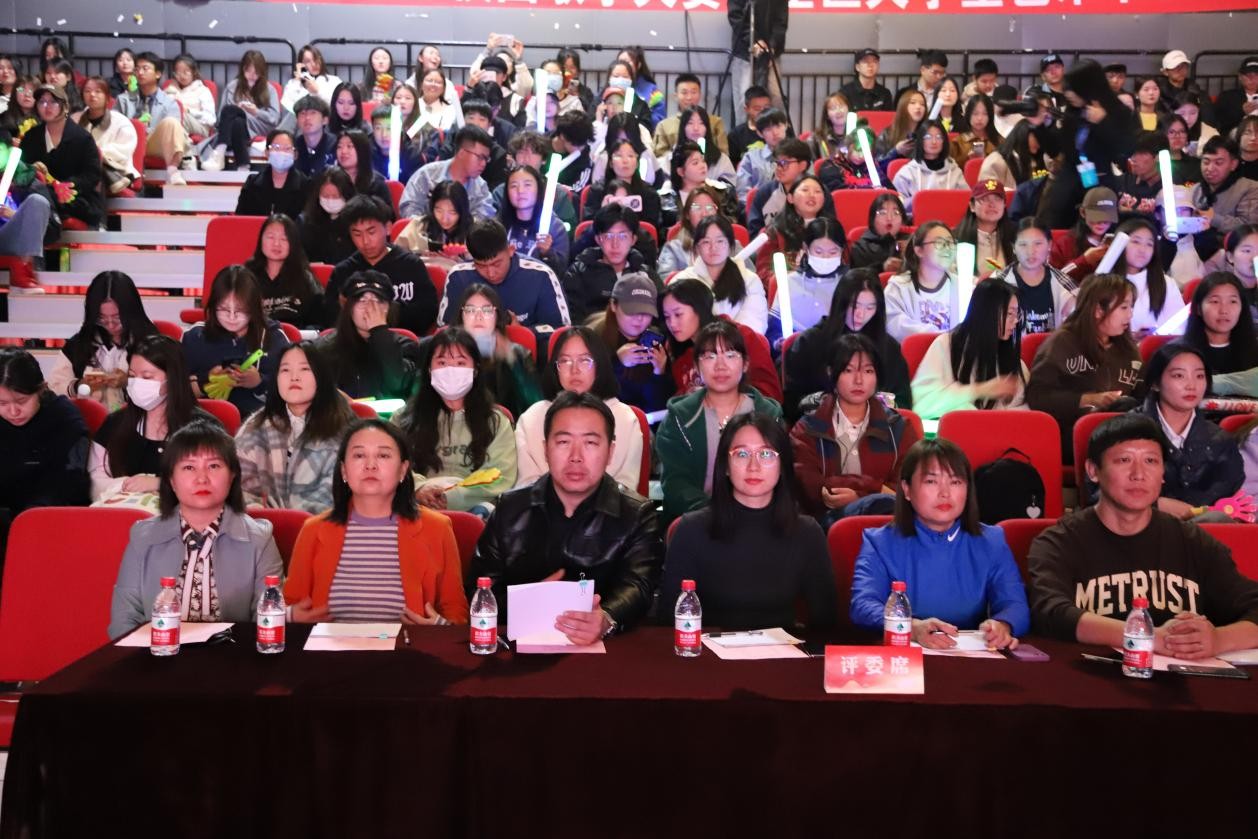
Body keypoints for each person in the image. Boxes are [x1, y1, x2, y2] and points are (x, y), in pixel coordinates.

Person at [1028, 413, 1258, 658]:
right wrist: (1148, 637)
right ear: (1093, 471)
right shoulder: (1059, 542)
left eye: (1151, 461)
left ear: (1162, 473)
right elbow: (1049, 612)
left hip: (1179, 677)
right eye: (1124, 460)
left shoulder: (1193, 542)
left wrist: (1218, 640)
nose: (1139, 474)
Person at [469, 390, 662, 641]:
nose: (576, 457)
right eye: (563, 442)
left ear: (610, 451)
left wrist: (607, 617)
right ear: (545, 449)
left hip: (606, 649)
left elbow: (640, 586)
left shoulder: (637, 514)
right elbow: (479, 591)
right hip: (520, 646)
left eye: (590, 443)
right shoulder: (509, 509)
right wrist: (525, 603)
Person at [107, 421, 284, 640]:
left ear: (232, 476)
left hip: (232, 657)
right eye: (189, 467)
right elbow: (123, 622)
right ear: (171, 480)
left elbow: (269, 622)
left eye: (214, 466)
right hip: (156, 655)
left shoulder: (259, 540)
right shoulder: (143, 537)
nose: (202, 478)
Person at [850, 438, 1030, 649]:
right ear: (906, 489)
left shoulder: (991, 541)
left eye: (956, 482)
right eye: (931, 481)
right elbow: (862, 605)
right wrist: (910, 627)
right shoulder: (879, 542)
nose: (945, 493)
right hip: (904, 654)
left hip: (967, 655)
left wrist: (1003, 625)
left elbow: (1015, 605)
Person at [284, 418, 468, 625]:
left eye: (383, 455)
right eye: (359, 455)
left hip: (410, 645)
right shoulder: (314, 530)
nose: (370, 465)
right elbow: (290, 605)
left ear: (403, 470)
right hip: (330, 645)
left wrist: (438, 627)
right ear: (344, 470)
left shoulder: (437, 528)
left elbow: (456, 611)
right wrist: (291, 617)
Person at [666, 411, 837, 629]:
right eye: (741, 454)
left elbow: (826, 625)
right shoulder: (692, 530)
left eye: (766, 454)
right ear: (725, 466)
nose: (753, 466)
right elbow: (668, 623)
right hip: (707, 648)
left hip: (783, 648)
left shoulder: (807, 533)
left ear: (782, 465)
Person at [657, 320, 783, 523]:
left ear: (745, 364)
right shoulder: (679, 418)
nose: (721, 365)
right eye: (710, 356)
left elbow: (782, 476)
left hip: (760, 519)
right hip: (697, 521)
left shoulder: (768, 414)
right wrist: (713, 514)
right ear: (696, 366)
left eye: (730, 355)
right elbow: (675, 482)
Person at [791, 334, 918, 523]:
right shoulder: (807, 429)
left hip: (888, 525)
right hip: (825, 527)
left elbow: (908, 488)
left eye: (868, 371)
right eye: (848, 370)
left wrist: (860, 497)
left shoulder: (899, 428)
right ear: (831, 372)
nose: (859, 380)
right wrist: (877, 489)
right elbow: (810, 487)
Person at [391, 328, 516, 518]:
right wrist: (419, 489)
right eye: (442, 363)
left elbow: (501, 474)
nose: (451, 371)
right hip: (416, 506)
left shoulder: (496, 422)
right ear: (429, 370)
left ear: (475, 370)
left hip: (474, 509)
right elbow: (391, 464)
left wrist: (451, 496)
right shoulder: (402, 419)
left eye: (460, 363)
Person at [1026, 273, 1143, 461]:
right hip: (1072, 435)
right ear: (1098, 310)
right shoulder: (1062, 344)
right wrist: (1089, 399)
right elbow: (1037, 397)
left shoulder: (1128, 349)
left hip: (1122, 433)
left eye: (1131, 307)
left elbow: (1141, 396)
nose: (1130, 315)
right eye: (1123, 307)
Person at [89, 335, 219, 505]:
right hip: (122, 512)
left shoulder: (204, 429)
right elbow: (96, 480)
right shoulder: (114, 424)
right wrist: (127, 485)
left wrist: (160, 484)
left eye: (147, 377)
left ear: (173, 378)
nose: (137, 384)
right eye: (132, 376)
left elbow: (217, 483)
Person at [515, 325, 642, 491]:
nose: (574, 370)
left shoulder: (625, 418)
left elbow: (626, 489)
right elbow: (525, 488)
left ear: (600, 365)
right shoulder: (531, 418)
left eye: (585, 360)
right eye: (565, 361)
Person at [1127, 342, 1243, 518]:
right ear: (1155, 383)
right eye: (1179, 375)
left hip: (1203, 529)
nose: (1191, 385)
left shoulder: (1221, 441)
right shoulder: (1125, 432)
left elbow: (1231, 502)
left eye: (1199, 376)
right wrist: (1155, 504)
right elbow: (1099, 495)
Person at [236, 341, 353, 513]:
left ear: (321, 376)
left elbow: (341, 488)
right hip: (262, 525)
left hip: (327, 523)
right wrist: (262, 518)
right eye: (285, 370)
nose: (294, 377)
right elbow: (240, 487)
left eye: (304, 369)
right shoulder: (256, 426)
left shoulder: (345, 428)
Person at [783, 268, 912, 423]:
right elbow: (793, 403)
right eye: (854, 305)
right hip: (821, 427)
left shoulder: (889, 348)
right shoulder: (810, 343)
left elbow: (903, 402)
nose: (860, 314)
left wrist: (885, 405)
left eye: (870, 308)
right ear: (841, 303)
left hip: (877, 428)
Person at [0, 349, 90, 546]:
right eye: (2, 403)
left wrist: (27, 519)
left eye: (22, 401)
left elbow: (68, 485)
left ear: (41, 390)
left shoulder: (64, 419)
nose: (13, 411)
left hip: (52, 520)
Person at [910, 278, 1028, 421]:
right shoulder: (947, 346)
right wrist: (980, 390)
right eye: (1010, 314)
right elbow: (922, 405)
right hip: (956, 431)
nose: (1016, 321)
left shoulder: (1011, 356)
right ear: (987, 313)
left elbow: (1024, 410)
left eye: (1017, 314)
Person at [182, 265, 288, 420]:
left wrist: (259, 382)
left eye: (240, 310)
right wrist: (206, 380)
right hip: (203, 424)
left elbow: (292, 388)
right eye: (224, 309)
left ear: (254, 307)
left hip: (260, 423)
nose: (232, 317)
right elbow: (176, 391)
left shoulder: (273, 337)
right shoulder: (195, 337)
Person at [324, 195, 438, 338]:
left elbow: (428, 311)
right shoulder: (344, 271)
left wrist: (388, 314)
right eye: (357, 234)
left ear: (388, 228)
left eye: (371, 232)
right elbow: (329, 316)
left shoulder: (411, 265)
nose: (365, 241)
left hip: (401, 343)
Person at [46, 271, 157, 411]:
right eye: (102, 318)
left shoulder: (152, 343)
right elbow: (54, 387)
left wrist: (128, 382)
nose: (110, 325)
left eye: (117, 318)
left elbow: (167, 387)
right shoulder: (80, 343)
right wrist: (80, 386)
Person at [660, 277, 780, 402]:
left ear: (700, 309)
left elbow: (770, 394)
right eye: (667, 317)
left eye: (678, 314)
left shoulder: (740, 336)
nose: (672, 323)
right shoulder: (678, 350)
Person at [441, 218, 570, 332]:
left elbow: (560, 331)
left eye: (497, 264)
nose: (491, 273)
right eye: (481, 266)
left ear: (511, 250)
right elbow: (445, 329)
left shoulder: (541, 275)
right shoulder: (458, 277)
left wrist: (522, 333)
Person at [314, 271, 421, 400]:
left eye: (378, 301)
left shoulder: (406, 346)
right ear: (348, 307)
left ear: (389, 308)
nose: (370, 308)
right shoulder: (324, 346)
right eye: (362, 301)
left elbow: (397, 383)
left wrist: (379, 331)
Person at [588, 274, 674, 416]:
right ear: (613, 305)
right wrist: (616, 363)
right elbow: (589, 395)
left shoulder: (655, 341)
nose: (639, 318)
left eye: (646, 312)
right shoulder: (592, 338)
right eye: (631, 310)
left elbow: (659, 407)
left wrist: (659, 373)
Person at [454, 283, 542, 419]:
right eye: (471, 310)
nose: (478, 316)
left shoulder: (517, 354)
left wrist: (512, 361)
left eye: (486, 310)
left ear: (496, 316)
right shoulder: (446, 352)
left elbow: (536, 407)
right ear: (462, 316)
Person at [22, 84, 103, 230]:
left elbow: (92, 175)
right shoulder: (31, 137)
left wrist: (66, 185)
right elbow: (22, 170)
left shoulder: (82, 138)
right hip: (40, 193)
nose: (47, 106)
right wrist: (33, 172)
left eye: (53, 102)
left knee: (43, 200)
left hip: (76, 196)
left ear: (65, 107)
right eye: (42, 102)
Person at [563, 203, 658, 324]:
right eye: (608, 236)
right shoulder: (578, 273)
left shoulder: (645, 273)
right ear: (598, 239)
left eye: (622, 236)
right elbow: (574, 320)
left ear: (633, 239)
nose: (615, 244)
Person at [672, 214, 767, 334]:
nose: (713, 247)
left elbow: (755, 326)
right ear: (697, 247)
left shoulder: (750, 280)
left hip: (737, 344)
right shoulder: (682, 281)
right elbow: (677, 326)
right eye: (706, 242)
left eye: (720, 241)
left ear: (730, 245)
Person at [113, 53, 190, 186]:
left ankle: (172, 170)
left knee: (171, 122)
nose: (140, 72)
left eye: (145, 68)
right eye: (137, 69)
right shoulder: (123, 100)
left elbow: (175, 132)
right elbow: (113, 127)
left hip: (156, 144)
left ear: (158, 74)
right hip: (131, 143)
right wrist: (137, 125)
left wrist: (147, 130)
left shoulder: (169, 103)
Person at [991, 217, 1078, 335]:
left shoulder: (1064, 283)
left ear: (1049, 245)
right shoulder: (998, 283)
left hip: (1051, 346)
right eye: (1023, 244)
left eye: (1038, 243)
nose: (1031, 251)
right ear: (1013, 248)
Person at [769, 217, 847, 345]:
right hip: (795, 349)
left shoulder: (849, 284)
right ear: (806, 248)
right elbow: (774, 327)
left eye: (833, 252)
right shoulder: (790, 282)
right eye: (818, 251)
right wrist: (779, 342)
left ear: (842, 250)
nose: (825, 258)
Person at [203, 50, 282, 172]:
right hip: (236, 128)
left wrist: (256, 112)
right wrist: (239, 110)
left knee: (232, 111)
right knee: (236, 119)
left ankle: (219, 151)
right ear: (242, 69)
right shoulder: (232, 87)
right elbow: (221, 118)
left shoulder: (269, 89)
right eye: (248, 71)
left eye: (256, 72)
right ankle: (243, 165)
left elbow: (274, 118)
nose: (252, 75)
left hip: (259, 125)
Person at [398, 124, 496, 221]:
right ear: (462, 152)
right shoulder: (427, 175)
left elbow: (483, 221)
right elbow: (408, 209)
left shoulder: (481, 189)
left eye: (486, 159)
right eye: (480, 157)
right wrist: (427, 226)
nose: (483, 164)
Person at [884, 223, 960, 341]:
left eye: (950, 243)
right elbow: (895, 326)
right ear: (919, 250)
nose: (947, 248)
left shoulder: (964, 286)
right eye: (939, 243)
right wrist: (940, 336)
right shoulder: (898, 287)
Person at [243, 214, 323, 327]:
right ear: (261, 240)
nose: (276, 244)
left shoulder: (305, 279)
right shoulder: (247, 276)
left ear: (293, 243)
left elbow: (318, 324)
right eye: (271, 237)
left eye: (284, 239)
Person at [1184, 271, 1258, 381]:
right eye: (1215, 301)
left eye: (1232, 301)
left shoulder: (1254, 350)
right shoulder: (1180, 352)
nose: (1224, 310)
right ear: (1198, 308)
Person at [1190, 137, 1258, 255]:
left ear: (1233, 164)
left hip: (1233, 255)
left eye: (1218, 163)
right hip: (1194, 252)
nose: (1210, 168)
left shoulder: (1250, 188)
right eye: (1206, 162)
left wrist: (1212, 218)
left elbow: (1249, 227)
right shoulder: (1195, 189)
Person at [1111, 217, 1177, 337]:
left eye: (1149, 244)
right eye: (1136, 242)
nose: (1143, 250)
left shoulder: (1165, 283)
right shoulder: (1104, 281)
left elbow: (1179, 327)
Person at [499, 164, 569, 276]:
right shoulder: (498, 225)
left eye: (527, 185)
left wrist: (547, 253)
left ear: (538, 189)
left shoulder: (555, 227)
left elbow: (561, 271)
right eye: (514, 186)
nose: (520, 191)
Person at [76, 77, 139, 196]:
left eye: (98, 91)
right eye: (87, 91)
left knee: (93, 167)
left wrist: (97, 153)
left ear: (107, 97)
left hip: (117, 171)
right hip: (82, 170)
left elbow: (124, 150)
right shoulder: (75, 120)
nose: (92, 95)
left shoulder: (121, 121)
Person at [584, 139, 664, 231]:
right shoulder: (598, 190)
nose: (625, 161)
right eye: (619, 156)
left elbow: (652, 230)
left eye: (630, 156)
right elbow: (587, 228)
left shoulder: (649, 194)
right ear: (610, 163)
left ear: (637, 163)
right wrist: (602, 213)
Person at [892, 119, 967, 217]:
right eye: (928, 137)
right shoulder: (906, 173)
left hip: (950, 222)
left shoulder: (955, 171)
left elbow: (966, 201)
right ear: (920, 140)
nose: (934, 142)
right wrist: (920, 200)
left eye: (939, 137)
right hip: (916, 223)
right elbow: (896, 207)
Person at [234, 129, 309, 220]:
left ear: (295, 154)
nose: (281, 153)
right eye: (276, 148)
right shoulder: (252, 183)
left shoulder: (305, 185)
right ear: (267, 153)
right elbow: (240, 219)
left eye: (287, 148)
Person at [666, 140, 741, 230]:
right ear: (681, 171)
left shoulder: (723, 192)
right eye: (695, 163)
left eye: (703, 161)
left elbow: (732, 226)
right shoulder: (668, 200)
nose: (702, 166)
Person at [747, 137, 812, 237]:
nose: (778, 168)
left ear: (802, 165)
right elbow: (755, 236)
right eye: (776, 163)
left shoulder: (818, 192)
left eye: (784, 163)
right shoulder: (764, 194)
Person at [395, 179, 472, 264]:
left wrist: (460, 261)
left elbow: (481, 264)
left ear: (462, 211)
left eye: (452, 212)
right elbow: (397, 256)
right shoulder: (419, 226)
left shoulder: (473, 230)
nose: (444, 219)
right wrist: (418, 256)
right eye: (439, 211)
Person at [652, 74, 728, 160]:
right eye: (684, 93)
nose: (689, 97)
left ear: (700, 94)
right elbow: (658, 155)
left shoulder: (715, 122)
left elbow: (723, 153)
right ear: (676, 96)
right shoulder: (664, 125)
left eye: (693, 92)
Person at [1052, 186, 1120, 277]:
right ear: (1083, 213)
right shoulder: (1066, 243)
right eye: (1096, 217)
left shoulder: (1118, 242)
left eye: (1108, 218)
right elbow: (1055, 277)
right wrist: (1084, 260)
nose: (1102, 222)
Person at [952, 178, 1015, 273]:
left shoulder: (1014, 238)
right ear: (972, 206)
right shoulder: (955, 239)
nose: (992, 204)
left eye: (997, 199)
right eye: (984, 199)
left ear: (1004, 205)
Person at [658, 186, 723, 277]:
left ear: (717, 213)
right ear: (687, 214)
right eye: (696, 208)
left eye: (709, 207)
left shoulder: (732, 245)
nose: (704, 214)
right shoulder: (674, 248)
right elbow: (665, 279)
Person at [299, 167, 355, 266]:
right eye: (325, 196)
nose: (330, 201)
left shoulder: (356, 222)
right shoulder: (305, 222)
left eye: (335, 196)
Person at [735, 108, 790, 204]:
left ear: (785, 125)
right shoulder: (751, 158)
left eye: (778, 126)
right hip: (757, 207)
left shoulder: (798, 155)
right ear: (760, 133)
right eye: (768, 129)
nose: (775, 133)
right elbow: (743, 193)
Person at [978, 120, 1049, 192]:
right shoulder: (995, 162)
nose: (1039, 143)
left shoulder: (1035, 159)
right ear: (1023, 135)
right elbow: (986, 194)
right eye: (1036, 137)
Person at [334, 129, 394, 213]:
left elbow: (387, 215)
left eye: (349, 146)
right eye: (339, 147)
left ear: (362, 150)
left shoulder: (376, 184)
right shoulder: (331, 180)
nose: (343, 151)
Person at [849, 193, 910, 273]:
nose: (889, 218)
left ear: (902, 221)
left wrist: (912, 255)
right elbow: (858, 277)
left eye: (896, 213)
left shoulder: (911, 241)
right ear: (872, 219)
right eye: (882, 213)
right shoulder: (861, 248)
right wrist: (882, 268)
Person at [164, 54, 216, 138]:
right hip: (173, 124)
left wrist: (189, 111)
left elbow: (211, 119)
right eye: (178, 72)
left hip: (199, 126)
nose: (182, 76)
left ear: (193, 72)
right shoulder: (170, 89)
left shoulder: (203, 90)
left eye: (186, 72)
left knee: (181, 116)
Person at [949, 94, 1003, 171]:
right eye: (975, 114)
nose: (980, 118)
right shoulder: (957, 143)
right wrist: (968, 161)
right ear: (968, 115)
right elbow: (950, 170)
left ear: (990, 116)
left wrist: (986, 160)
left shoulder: (999, 141)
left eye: (985, 114)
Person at [281, 44, 342, 112]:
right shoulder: (293, 83)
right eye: (307, 61)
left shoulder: (334, 81)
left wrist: (318, 92)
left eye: (315, 59)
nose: (313, 64)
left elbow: (338, 107)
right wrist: (297, 80)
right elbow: (287, 104)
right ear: (302, 65)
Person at [727, 85, 772, 169]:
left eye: (766, 108)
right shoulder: (736, 135)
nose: (763, 113)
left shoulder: (780, 131)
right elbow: (732, 164)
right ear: (746, 109)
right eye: (757, 109)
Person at [291, 95, 335, 179]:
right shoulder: (292, 147)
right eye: (303, 113)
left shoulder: (336, 145)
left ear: (325, 120)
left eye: (313, 113)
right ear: (297, 121)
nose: (307, 118)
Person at [875, 91, 926, 164]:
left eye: (922, 104)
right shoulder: (888, 133)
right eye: (913, 103)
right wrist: (896, 151)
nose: (918, 107)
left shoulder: (927, 133)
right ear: (903, 106)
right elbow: (877, 163)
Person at [1215, 56, 1258, 138]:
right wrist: (1241, 111)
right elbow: (1218, 122)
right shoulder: (1227, 97)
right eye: (1248, 75)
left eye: (1256, 75)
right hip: (1235, 136)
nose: (1252, 79)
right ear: (1240, 77)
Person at [840, 49, 893, 113]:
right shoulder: (846, 92)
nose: (870, 65)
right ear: (857, 67)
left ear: (878, 66)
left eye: (874, 61)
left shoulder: (885, 93)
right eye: (865, 61)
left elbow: (889, 117)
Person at [1164, 114, 1203, 186]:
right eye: (1171, 132)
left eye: (1182, 131)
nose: (1177, 136)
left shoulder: (1197, 164)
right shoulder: (1153, 165)